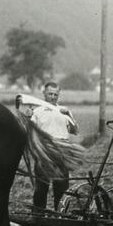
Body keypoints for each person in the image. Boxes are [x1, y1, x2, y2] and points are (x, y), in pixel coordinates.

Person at [29, 81, 79, 211]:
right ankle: (39, 218)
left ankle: (61, 219)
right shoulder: (37, 111)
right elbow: (30, 132)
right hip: (45, 151)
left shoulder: (64, 111)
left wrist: (68, 115)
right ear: (44, 94)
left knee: (61, 188)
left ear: (58, 95)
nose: (52, 97)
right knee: (41, 187)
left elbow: (74, 131)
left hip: (62, 150)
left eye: (55, 94)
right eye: (50, 94)